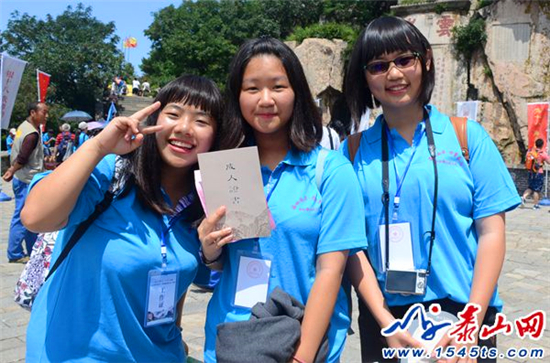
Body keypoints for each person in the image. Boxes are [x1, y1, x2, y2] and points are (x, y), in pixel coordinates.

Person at [342, 16, 521, 362]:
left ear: (425, 60)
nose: (394, 74)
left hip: (467, 314)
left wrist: (470, 324)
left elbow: (491, 233)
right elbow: (350, 246)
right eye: (378, 65)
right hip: (387, 317)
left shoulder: (467, 137)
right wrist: (386, 324)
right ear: (364, 77)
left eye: (404, 60)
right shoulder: (350, 153)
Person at [21, 75, 223, 362]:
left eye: (202, 121)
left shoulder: (205, 201)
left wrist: (211, 254)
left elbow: (178, 276)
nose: (184, 128)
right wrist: (98, 147)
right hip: (72, 354)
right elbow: (35, 217)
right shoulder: (112, 173)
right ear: (154, 118)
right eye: (174, 114)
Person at [198, 37, 366, 363]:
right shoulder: (227, 166)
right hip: (232, 337)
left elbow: (331, 271)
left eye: (277, 86)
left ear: (297, 93)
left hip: (298, 336)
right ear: (236, 95)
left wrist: (301, 357)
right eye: (252, 89)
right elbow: (223, 262)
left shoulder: (329, 171)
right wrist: (209, 248)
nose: (265, 100)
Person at [2, 102, 49, 263]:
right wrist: (12, 170)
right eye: (44, 112)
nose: (46, 116)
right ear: (33, 113)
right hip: (26, 179)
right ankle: (15, 253)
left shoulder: (23, 126)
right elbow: (23, 157)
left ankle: (32, 249)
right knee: (22, 216)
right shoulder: (31, 134)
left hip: (22, 177)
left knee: (31, 214)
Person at [521, 138, 549, 210]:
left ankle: (523, 197)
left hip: (530, 172)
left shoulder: (530, 151)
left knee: (530, 187)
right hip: (538, 173)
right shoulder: (542, 153)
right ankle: (535, 205)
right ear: (542, 145)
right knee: (537, 190)